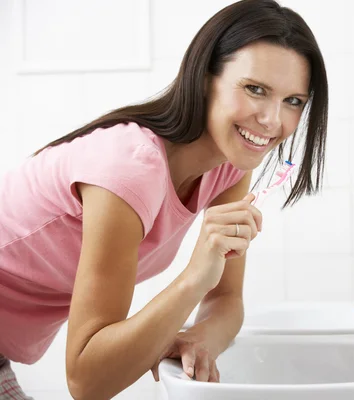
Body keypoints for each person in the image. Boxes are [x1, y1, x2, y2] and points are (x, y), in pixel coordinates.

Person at [0, 0, 328, 397]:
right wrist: (192, 279)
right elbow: (87, 382)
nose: (273, 120)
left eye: (293, 100)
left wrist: (200, 338)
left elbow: (226, 301)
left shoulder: (230, 167)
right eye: (255, 89)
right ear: (206, 78)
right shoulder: (128, 169)